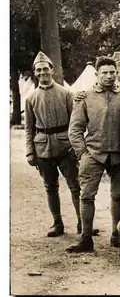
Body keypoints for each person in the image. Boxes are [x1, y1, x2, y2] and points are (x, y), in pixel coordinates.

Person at [66, 56, 120, 252]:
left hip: (119, 154)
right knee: (87, 196)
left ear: (116, 74)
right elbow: (75, 129)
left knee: (118, 196)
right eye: (105, 73)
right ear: (97, 75)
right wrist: (82, 152)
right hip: (93, 153)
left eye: (112, 72)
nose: (109, 76)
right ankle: (86, 238)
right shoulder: (85, 97)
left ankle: (117, 235)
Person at [25, 51, 82, 237]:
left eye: (45, 69)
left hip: (66, 147)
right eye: (38, 70)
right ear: (35, 73)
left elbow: (76, 123)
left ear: (52, 69)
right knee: (50, 187)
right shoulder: (30, 98)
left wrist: (76, 146)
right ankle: (57, 223)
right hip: (42, 148)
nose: (42, 73)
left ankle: (83, 222)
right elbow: (29, 128)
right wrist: (30, 152)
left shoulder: (66, 94)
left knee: (75, 186)